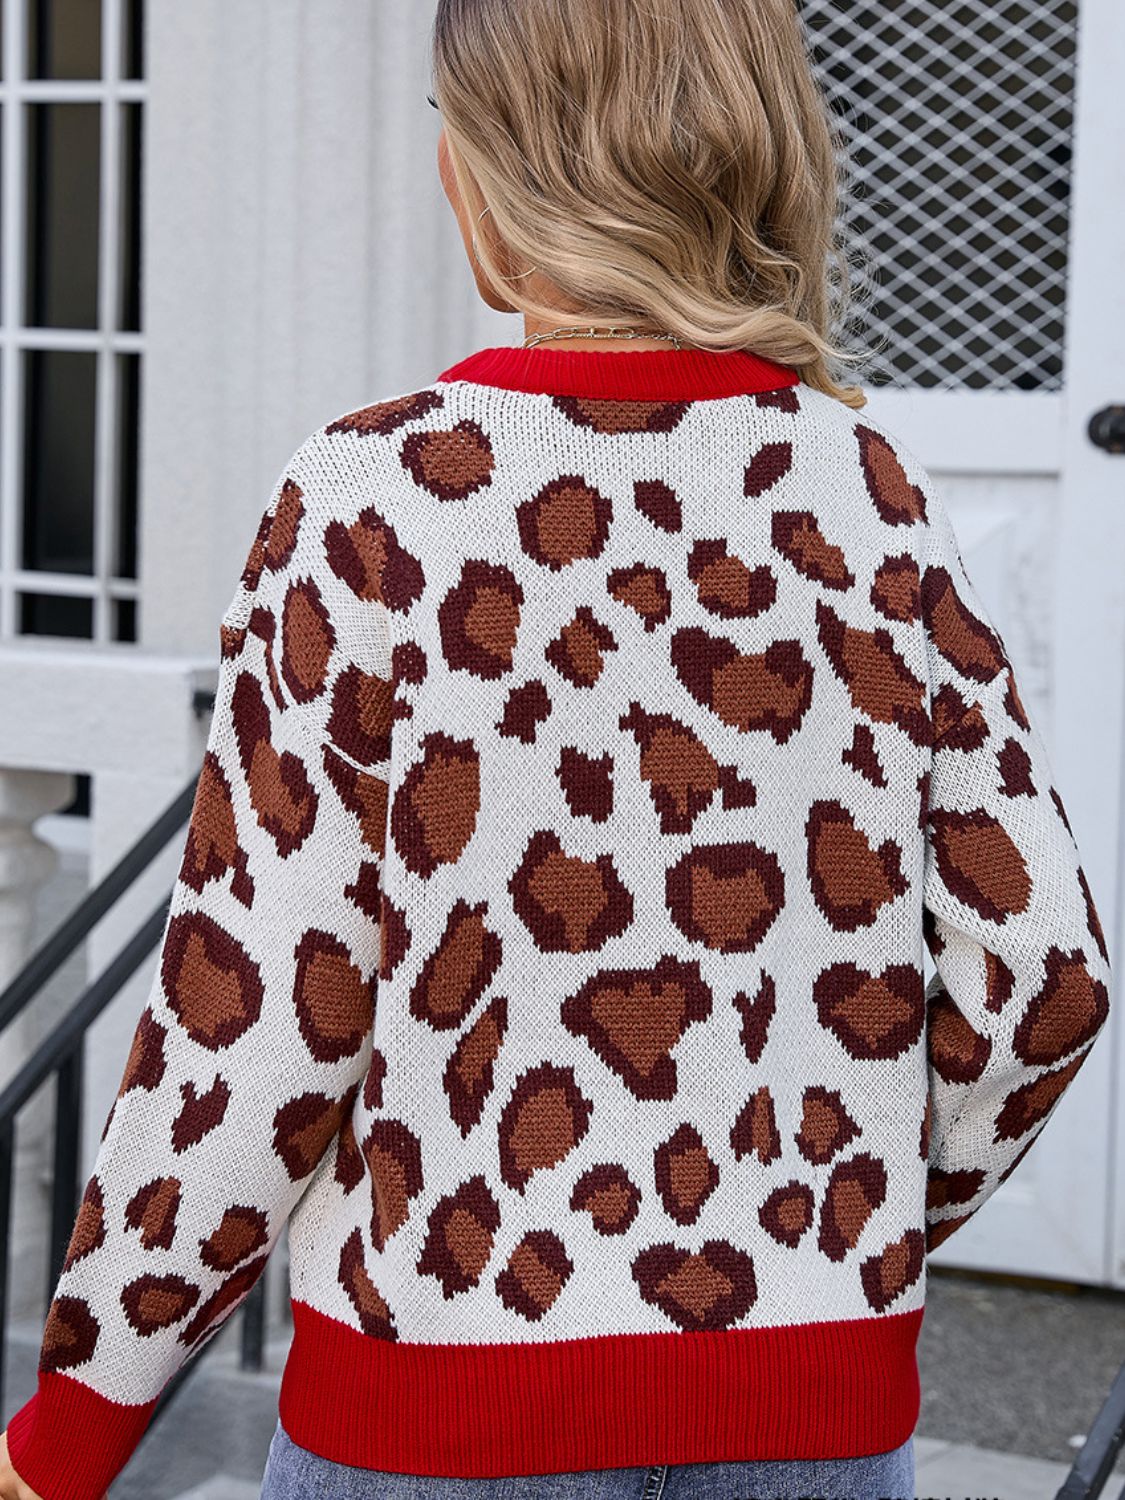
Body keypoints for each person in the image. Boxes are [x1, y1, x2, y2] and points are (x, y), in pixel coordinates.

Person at [1, 1, 1114, 1497]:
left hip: (431, 1418)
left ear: (483, 171)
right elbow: (1043, 983)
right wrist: (845, 1241)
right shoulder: (867, 497)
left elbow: (256, 1024)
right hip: (807, 1427)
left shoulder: (371, 504)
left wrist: (74, 1428)